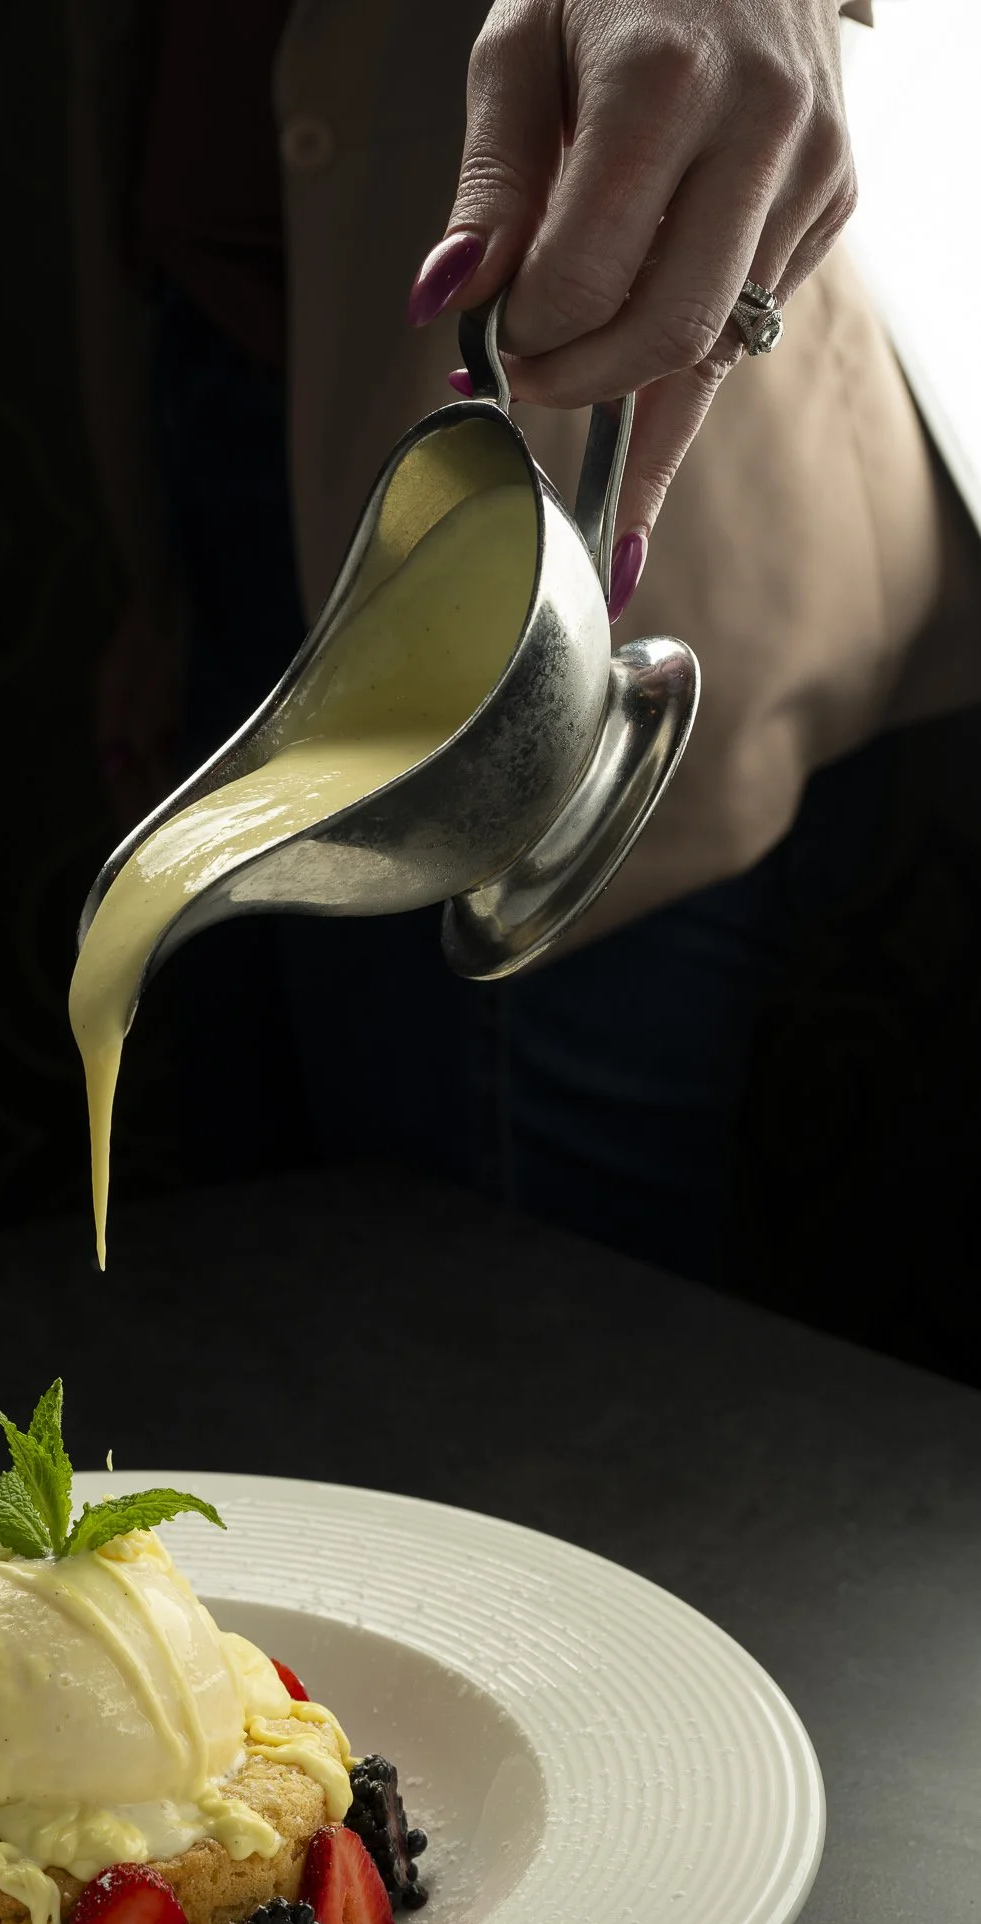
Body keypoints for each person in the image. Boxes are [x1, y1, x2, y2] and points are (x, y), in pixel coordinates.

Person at [66, 1, 981, 1281]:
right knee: (265, 1304)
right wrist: (157, 567)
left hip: (604, 569)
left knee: (500, 1358)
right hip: (229, 396)